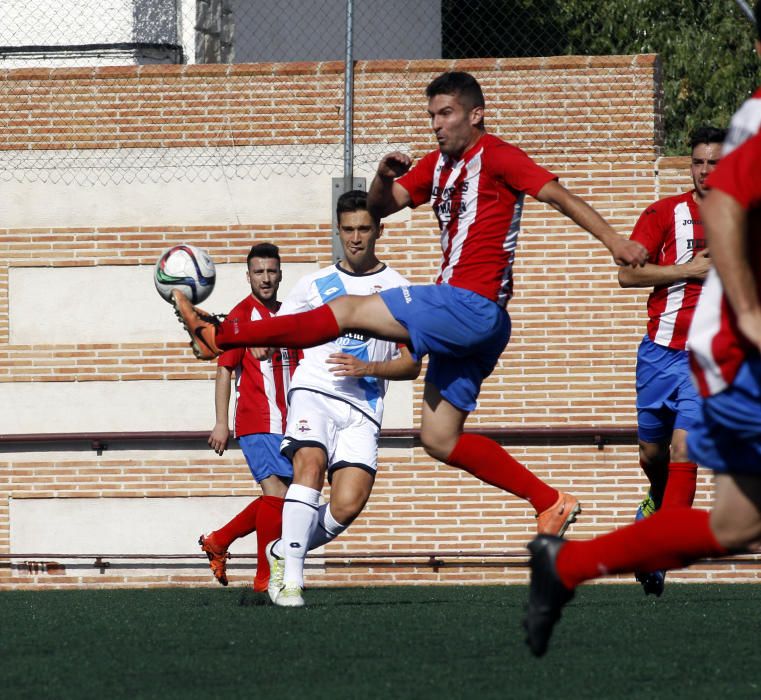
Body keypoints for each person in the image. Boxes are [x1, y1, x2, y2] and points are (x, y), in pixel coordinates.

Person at [172, 71, 648, 543]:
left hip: (469, 303)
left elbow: (558, 196)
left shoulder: (499, 156)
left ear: (475, 114)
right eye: (431, 116)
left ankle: (221, 335)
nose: (436, 125)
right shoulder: (436, 166)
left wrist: (614, 241)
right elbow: (382, 206)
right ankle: (548, 500)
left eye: (446, 114)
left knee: (349, 309)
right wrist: (381, 176)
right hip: (475, 321)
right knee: (440, 438)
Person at [523, 1, 761, 657]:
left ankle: (568, 566)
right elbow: (724, 219)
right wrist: (741, 309)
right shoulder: (749, 134)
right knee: (662, 462)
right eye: (699, 163)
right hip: (698, 351)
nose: (707, 171)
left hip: (713, 355)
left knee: (732, 518)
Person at [263, 190, 421, 606]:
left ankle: (283, 551)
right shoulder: (313, 285)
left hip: (363, 408)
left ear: (379, 231)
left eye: (364, 229)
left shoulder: (399, 291)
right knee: (309, 467)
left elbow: (411, 365)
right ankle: (292, 582)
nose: (355, 238)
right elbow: (274, 335)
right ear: (338, 231)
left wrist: (368, 368)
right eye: (348, 229)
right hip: (315, 391)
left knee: (347, 504)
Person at [620, 125, 726, 595]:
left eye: (716, 163)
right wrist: (690, 270)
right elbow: (627, 274)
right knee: (653, 455)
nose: (706, 171)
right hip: (658, 355)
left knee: (686, 451)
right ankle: (657, 499)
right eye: (699, 162)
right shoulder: (665, 213)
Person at [198, 243, 300, 593]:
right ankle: (264, 580)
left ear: (280, 274)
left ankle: (219, 540)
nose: (266, 278)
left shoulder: (290, 315)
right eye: (259, 272)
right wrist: (221, 423)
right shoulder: (240, 318)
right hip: (257, 423)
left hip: (292, 424)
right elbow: (225, 371)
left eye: (272, 271)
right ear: (249, 276)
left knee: (283, 501)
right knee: (276, 494)